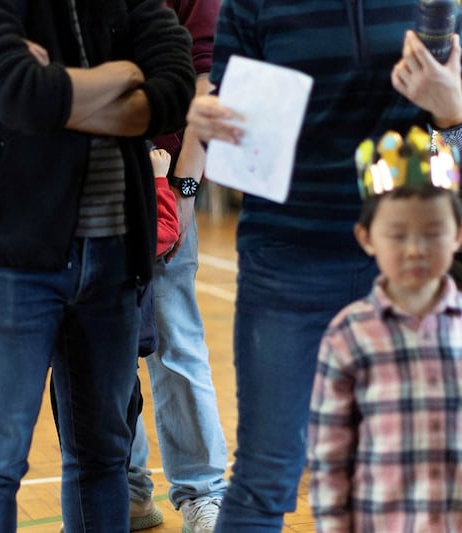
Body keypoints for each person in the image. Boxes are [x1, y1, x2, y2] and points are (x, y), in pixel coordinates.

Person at [185, 2, 462, 530]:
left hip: (407, 270)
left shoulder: (435, 5)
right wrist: (210, 120)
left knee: (417, 471)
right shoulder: (253, 4)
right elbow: (233, 125)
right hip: (288, 259)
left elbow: (452, 160)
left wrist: (453, 113)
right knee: (267, 473)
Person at [0, 0, 194, 530]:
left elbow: (175, 85)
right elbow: (17, 92)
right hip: (13, 254)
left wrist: (59, 91)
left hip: (115, 252)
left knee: (102, 455)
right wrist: (124, 74)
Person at [308, 127, 462, 532]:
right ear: (366, 237)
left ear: (458, 235)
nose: (415, 248)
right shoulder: (348, 335)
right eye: (397, 235)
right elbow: (330, 456)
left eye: (432, 232)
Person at [127, 1, 228, 531]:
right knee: (100, 349)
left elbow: (206, 83)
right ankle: (127, 488)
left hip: (163, 182)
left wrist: (183, 188)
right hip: (82, 182)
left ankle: (201, 492)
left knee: (175, 343)